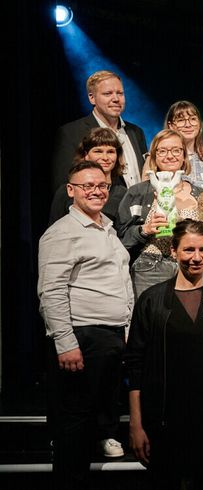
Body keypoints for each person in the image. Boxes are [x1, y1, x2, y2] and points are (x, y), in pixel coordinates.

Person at [125, 219, 203, 489]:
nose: (196, 258)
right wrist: (137, 424)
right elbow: (135, 366)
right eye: (189, 250)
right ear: (174, 252)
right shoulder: (152, 300)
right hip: (166, 421)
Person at [38, 160, 134, 487]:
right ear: (71, 191)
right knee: (74, 426)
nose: (96, 191)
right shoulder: (63, 232)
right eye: (87, 186)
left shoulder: (106, 226)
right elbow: (50, 291)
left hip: (108, 338)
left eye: (102, 185)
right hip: (82, 338)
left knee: (93, 423)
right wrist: (65, 343)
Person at [117, 129, 203, 298]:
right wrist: (144, 230)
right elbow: (121, 238)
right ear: (154, 156)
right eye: (162, 151)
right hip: (151, 268)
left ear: (184, 156)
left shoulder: (200, 194)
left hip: (192, 266)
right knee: (152, 322)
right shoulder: (138, 193)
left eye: (176, 150)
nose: (170, 156)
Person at [51, 70, 147, 190]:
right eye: (108, 94)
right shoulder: (71, 133)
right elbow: (63, 186)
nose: (116, 99)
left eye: (120, 93)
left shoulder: (136, 132)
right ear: (92, 98)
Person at [49, 128, 129, 226]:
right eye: (98, 151)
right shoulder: (67, 191)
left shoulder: (123, 194)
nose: (105, 158)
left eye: (110, 152)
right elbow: (55, 230)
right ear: (86, 155)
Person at [165, 100, 203, 190]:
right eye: (181, 120)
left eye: (193, 119)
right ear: (171, 126)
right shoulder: (164, 159)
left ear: (199, 124)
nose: (188, 125)